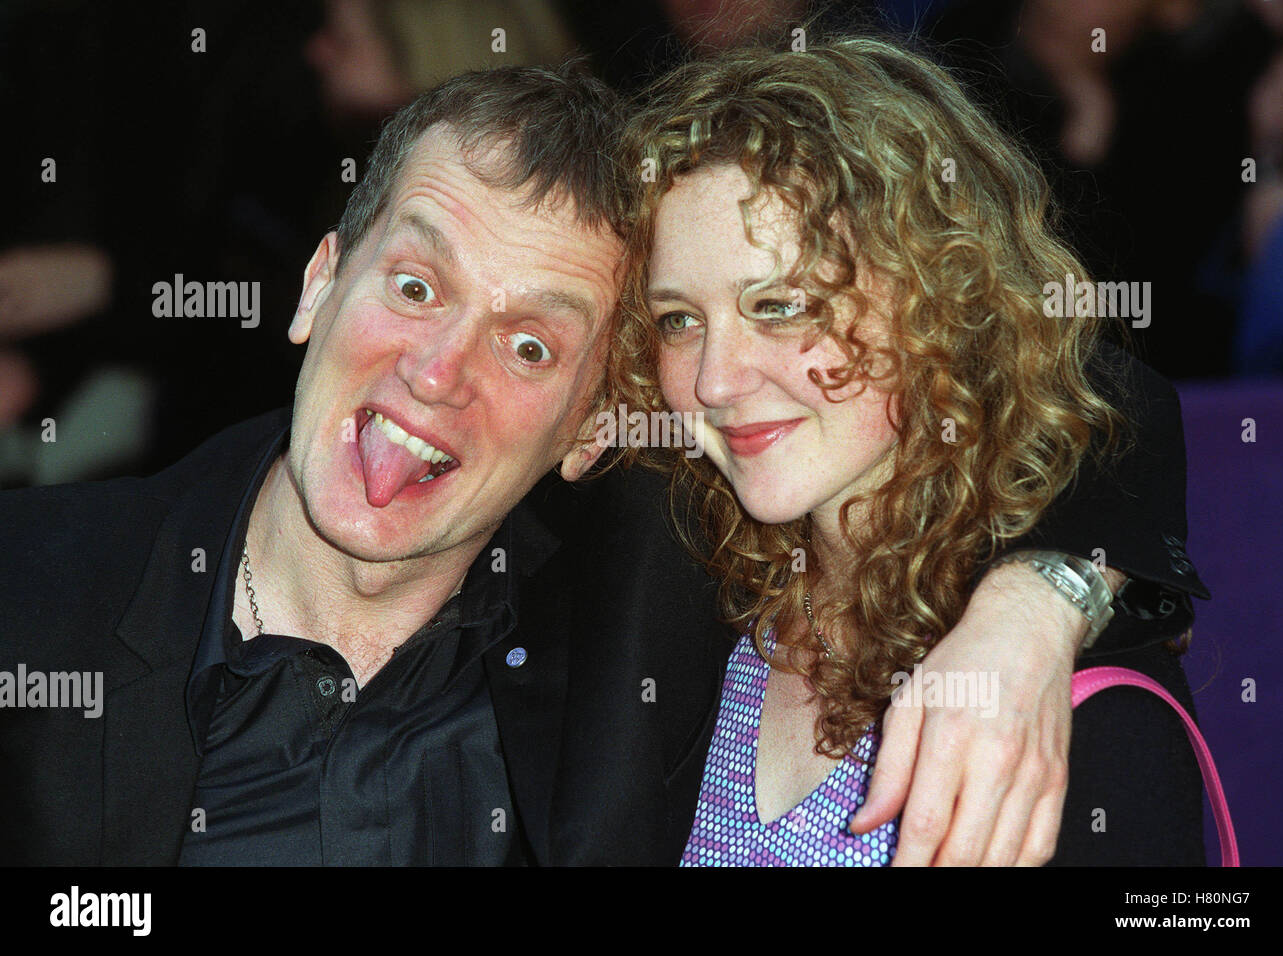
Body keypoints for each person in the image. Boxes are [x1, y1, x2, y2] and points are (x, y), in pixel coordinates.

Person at [0, 60, 1202, 866]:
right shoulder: (38, 597)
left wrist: (1038, 600)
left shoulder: (627, 615)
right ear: (321, 280)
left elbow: (1091, 400)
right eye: (415, 287)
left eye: (531, 342)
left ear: (590, 422)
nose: (439, 371)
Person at [616, 35, 1210, 865]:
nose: (714, 379)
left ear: (939, 297)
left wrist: (1041, 602)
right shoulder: (689, 591)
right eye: (679, 319)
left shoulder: (1048, 695)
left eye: (781, 304)